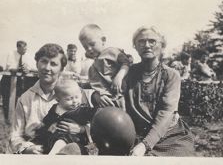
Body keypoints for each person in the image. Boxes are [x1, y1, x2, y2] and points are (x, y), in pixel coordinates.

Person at [123, 26, 194, 156]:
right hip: (135, 133)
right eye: (141, 41)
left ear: (162, 45)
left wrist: (145, 145)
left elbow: (166, 113)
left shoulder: (171, 75)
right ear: (135, 46)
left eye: (152, 41)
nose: (146, 45)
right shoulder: (128, 73)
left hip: (169, 134)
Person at [10, 43, 86, 154]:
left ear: (61, 69)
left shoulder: (75, 94)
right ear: (37, 64)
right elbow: (15, 136)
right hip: (36, 151)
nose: (47, 68)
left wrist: (81, 129)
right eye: (44, 61)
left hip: (69, 150)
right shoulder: (25, 99)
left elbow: (91, 124)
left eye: (53, 64)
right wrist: (28, 149)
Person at [32, 80, 96, 154]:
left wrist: (83, 128)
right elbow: (47, 121)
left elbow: (96, 117)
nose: (74, 101)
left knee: (61, 141)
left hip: (74, 138)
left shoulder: (82, 110)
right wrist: (48, 127)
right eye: (69, 99)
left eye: (77, 97)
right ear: (58, 100)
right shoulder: (55, 108)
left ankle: (52, 155)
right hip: (54, 137)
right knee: (43, 138)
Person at [78, 24, 131, 110]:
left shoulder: (111, 52)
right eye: (85, 47)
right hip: (102, 100)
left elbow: (126, 63)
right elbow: (95, 84)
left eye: (92, 44)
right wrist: (80, 84)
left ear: (103, 40)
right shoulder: (92, 67)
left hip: (118, 96)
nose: (89, 49)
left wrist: (119, 76)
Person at [0, 40, 37, 121]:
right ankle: (8, 120)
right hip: (9, 80)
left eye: (26, 49)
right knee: (7, 100)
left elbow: (34, 67)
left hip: (21, 81)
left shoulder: (28, 55)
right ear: (18, 47)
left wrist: (28, 68)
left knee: (20, 99)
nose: (25, 51)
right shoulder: (11, 54)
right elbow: (10, 66)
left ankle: (19, 119)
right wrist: (19, 68)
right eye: (23, 49)